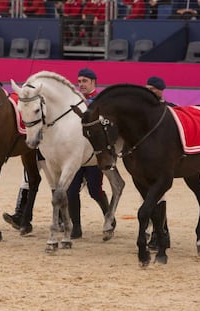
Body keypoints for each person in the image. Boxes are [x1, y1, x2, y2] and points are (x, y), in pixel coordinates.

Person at [68, 68, 112, 239]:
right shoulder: (74, 101)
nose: (81, 84)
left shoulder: (101, 101)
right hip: (77, 154)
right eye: (79, 81)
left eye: (84, 81)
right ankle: (76, 227)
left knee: (95, 191)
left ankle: (109, 215)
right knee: (71, 191)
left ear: (94, 82)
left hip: (95, 155)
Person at [145, 76, 173, 250]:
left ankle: (159, 233)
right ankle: (160, 232)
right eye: (146, 88)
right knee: (151, 199)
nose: (149, 92)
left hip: (163, 162)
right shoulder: (141, 112)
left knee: (156, 199)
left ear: (161, 90)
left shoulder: (170, 110)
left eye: (152, 89)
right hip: (145, 162)